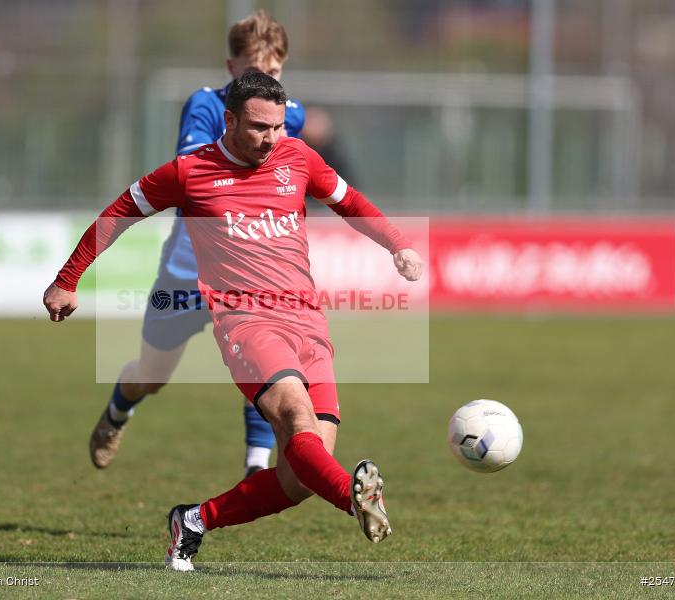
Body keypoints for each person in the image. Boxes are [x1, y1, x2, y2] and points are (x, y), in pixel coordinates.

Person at [44, 72, 424, 570]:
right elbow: (118, 214)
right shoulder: (189, 172)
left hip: (308, 322)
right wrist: (67, 279)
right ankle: (352, 499)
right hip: (246, 323)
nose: (271, 137)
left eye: (278, 126)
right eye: (259, 127)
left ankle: (194, 520)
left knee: (297, 477)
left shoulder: (298, 157)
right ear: (229, 119)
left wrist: (399, 245)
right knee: (295, 417)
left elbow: (349, 202)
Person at [88, 10, 306, 478]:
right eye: (255, 72)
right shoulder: (206, 107)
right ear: (231, 69)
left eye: (274, 72)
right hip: (188, 272)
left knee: (267, 367)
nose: (265, 82)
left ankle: (256, 468)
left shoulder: (293, 115)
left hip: (251, 275)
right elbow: (194, 176)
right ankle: (117, 411)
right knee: (152, 376)